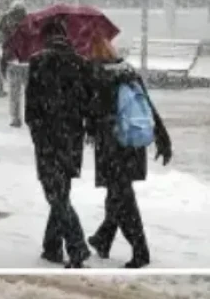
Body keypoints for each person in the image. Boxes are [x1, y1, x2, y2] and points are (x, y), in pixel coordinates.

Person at [86, 37, 173, 269]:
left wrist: (88, 126)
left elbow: (93, 114)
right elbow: (147, 105)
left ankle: (140, 251)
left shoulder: (97, 75)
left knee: (123, 200)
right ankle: (103, 239)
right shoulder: (128, 71)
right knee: (117, 195)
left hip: (112, 147)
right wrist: (162, 137)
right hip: (133, 144)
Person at [25, 17, 93, 269]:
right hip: (71, 140)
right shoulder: (80, 63)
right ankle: (52, 247)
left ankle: (77, 246)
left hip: (47, 140)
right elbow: (88, 103)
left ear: (45, 38)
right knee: (61, 193)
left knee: (55, 195)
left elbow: (30, 111)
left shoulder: (38, 62)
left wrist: (39, 137)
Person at [0, 0, 29, 127]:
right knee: (30, 93)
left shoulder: (7, 22)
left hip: (13, 62)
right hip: (27, 62)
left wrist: (3, 63)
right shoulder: (30, 21)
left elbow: (4, 43)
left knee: (14, 93)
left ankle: (16, 118)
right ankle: (31, 117)